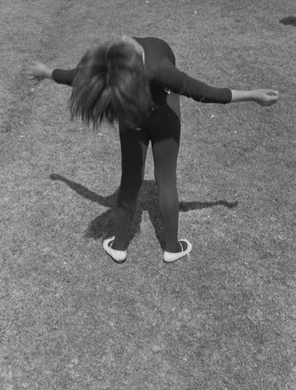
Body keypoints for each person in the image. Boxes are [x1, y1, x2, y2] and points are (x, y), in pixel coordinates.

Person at [29, 36, 279, 263]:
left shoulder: (112, 66)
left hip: (132, 120)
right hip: (163, 118)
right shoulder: (160, 69)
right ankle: (172, 248)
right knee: (166, 180)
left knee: (129, 182)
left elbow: (77, 76)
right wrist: (253, 95)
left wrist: (48, 72)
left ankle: (118, 246)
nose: (127, 38)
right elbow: (205, 93)